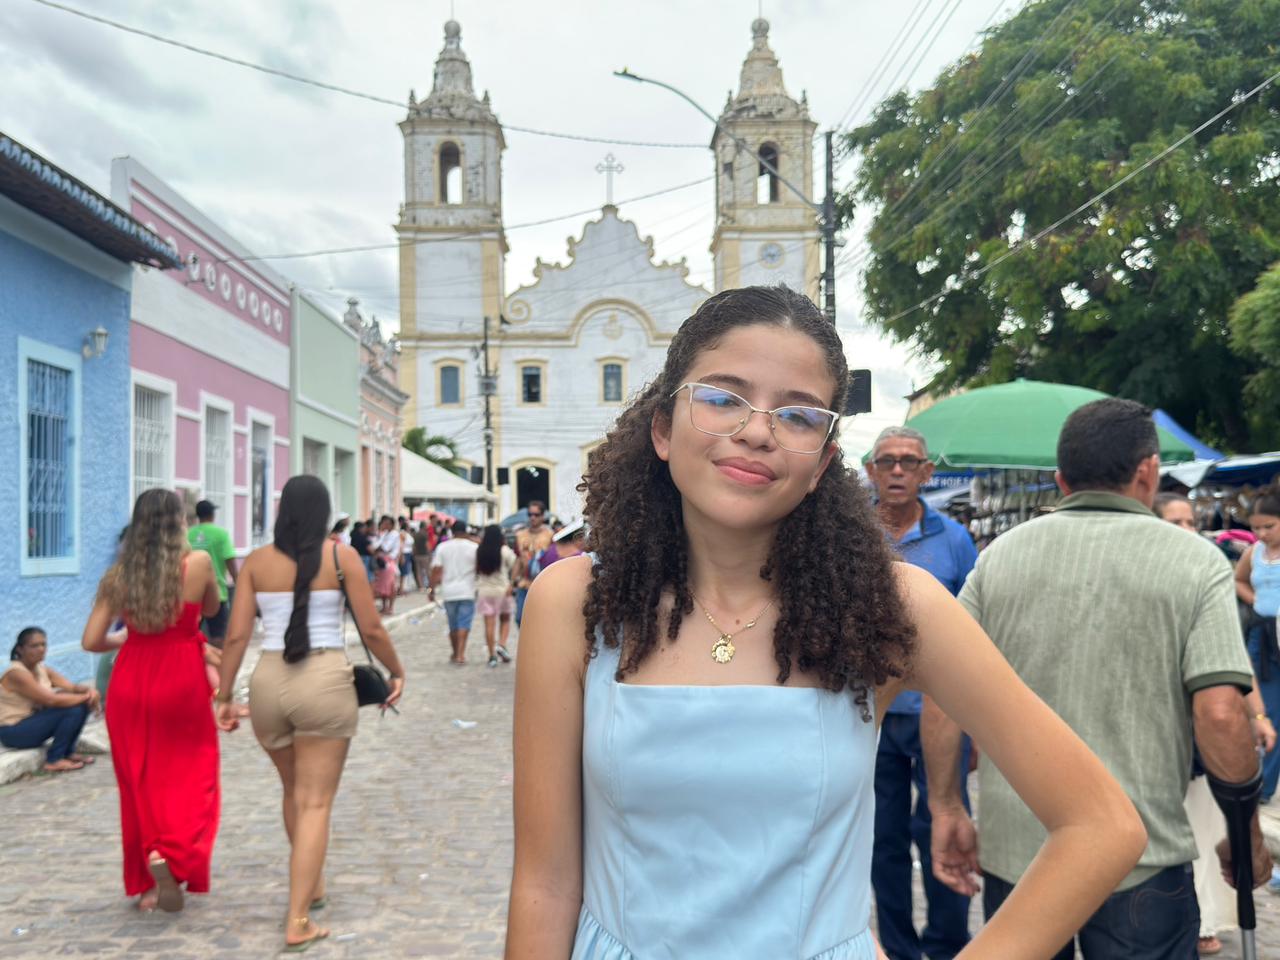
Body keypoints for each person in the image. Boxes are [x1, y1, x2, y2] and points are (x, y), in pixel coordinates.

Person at [506, 285, 1146, 959]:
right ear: (663, 428)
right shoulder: (573, 603)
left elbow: (1100, 824)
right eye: (723, 398)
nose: (757, 430)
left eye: (799, 416)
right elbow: (545, 885)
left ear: (822, 464)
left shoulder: (890, 607)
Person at [925, 398, 1270, 958]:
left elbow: (942, 697)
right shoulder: (1196, 561)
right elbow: (1221, 712)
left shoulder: (999, 557)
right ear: (1148, 472)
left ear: (1062, 480)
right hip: (1143, 857)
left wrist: (947, 807)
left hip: (1021, 857)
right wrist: (1245, 831)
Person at [214, 476, 404, 952]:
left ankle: (312, 883)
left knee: (293, 791)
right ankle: (298, 918)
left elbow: (236, 637)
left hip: (268, 682)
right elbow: (372, 627)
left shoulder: (256, 562)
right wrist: (395, 670)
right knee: (316, 801)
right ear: (322, 513)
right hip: (322, 679)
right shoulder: (341, 558)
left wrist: (222, 694)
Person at [863, 426, 977, 960]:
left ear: (927, 472)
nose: (898, 472)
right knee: (881, 838)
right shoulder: (852, 536)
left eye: (909, 462)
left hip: (942, 712)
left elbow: (974, 634)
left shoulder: (954, 540)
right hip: (872, 713)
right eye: (886, 462)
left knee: (945, 820)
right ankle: (899, 948)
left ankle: (949, 943)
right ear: (870, 471)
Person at [82, 488, 224, 913]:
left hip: (131, 679)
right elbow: (214, 609)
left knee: (138, 782)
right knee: (193, 773)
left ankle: (147, 881)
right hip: (180, 676)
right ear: (180, 522)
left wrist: (124, 637)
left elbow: (91, 640)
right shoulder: (197, 564)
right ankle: (172, 854)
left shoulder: (118, 576)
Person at [1154, 492, 1276, 956]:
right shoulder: (1155, 579)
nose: (1187, 529)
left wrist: (1258, 714)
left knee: (1206, 826)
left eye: (1191, 520)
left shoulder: (1206, 575)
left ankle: (1204, 918)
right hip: (1167, 730)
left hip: (1205, 731)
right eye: (1176, 521)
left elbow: (1235, 663)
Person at [1233, 487, 1280, 802]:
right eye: (1256, 527)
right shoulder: (1253, 554)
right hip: (1262, 638)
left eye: (1269, 526)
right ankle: (1263, 786)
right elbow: (1238, 580)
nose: (1262, 533)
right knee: (1266, 709)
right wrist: (1258, 601)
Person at [0, 627, 97, 773]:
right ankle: (54, 760)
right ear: (20, 649)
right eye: (34, 646)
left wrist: (90, 691)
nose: (41, 649)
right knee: (73, 708)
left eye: (43, 644)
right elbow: (51, 700)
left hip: (33, 723)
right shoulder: (16, 674)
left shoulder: (42, 669)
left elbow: (72, 687)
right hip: (13, 732)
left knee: (78, 705)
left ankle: (67, 753)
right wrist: (87, 697)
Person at [187, 499, 238, 648]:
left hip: (192, 595)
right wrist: (239, 584)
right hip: (217, 594)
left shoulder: (188, 534)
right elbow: (230, 562)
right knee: (218, 635)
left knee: (191, 634)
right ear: (212, 515)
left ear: (198, 516)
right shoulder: (221, 534)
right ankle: (217, 667)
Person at [431, 519, 479, 664]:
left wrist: (431, 589)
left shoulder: (442, 547)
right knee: (464, 623)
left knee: (452, 624)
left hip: (449, 591)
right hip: (467, 589)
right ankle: (460, 653)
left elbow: (436, 570)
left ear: (452, 531)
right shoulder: (474, 547)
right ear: (466, 531)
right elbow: (478, 568)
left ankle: (455, 652)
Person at [476, 524, 517, 668]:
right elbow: (516, 563)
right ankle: (502, 644)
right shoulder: (504, 550)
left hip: (485, 591)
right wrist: (513, 582)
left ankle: (491, 655)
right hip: (502, 590)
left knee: (489, 624)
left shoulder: (480, 550)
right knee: (505, 619)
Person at [513, 501, 552, 627]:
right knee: (520, 618)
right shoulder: (520, 535)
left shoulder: (550, 535)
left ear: (542, 515)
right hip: (524, 583)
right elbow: (518, 559)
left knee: (540, 619)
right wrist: (512, 582)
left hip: (542, 584)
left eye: (536, 514)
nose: (532, 517)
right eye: (530, 514)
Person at [373, 515, 401, 615]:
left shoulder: (394, 534)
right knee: (383, 586)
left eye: (387, 523)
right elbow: (376, 545)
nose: (385, 525)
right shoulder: (384, 534)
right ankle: (384, 606)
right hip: (382, 561)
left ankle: (390, 607)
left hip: (389, 561)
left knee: (391, 585)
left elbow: (385, 547)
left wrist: (377, 548)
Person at [398, 517, 415, 596]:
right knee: (403, 572)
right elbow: (401, 546)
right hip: (404, 553)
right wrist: (401, 556)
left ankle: (404, 588)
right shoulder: (402, 533)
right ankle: (401, 589)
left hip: (408, 553)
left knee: (407, 572)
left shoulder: (407, 534)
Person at [413, 521, 432, 590]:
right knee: (427, 571)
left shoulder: (415, 534)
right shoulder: (425, 534)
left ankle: (421, 586)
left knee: (419, 571)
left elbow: (414, 546)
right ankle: (430, 585)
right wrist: (429, 553)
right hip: (424, 554)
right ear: (424, 526)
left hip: (417, 555)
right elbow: (427, 545)